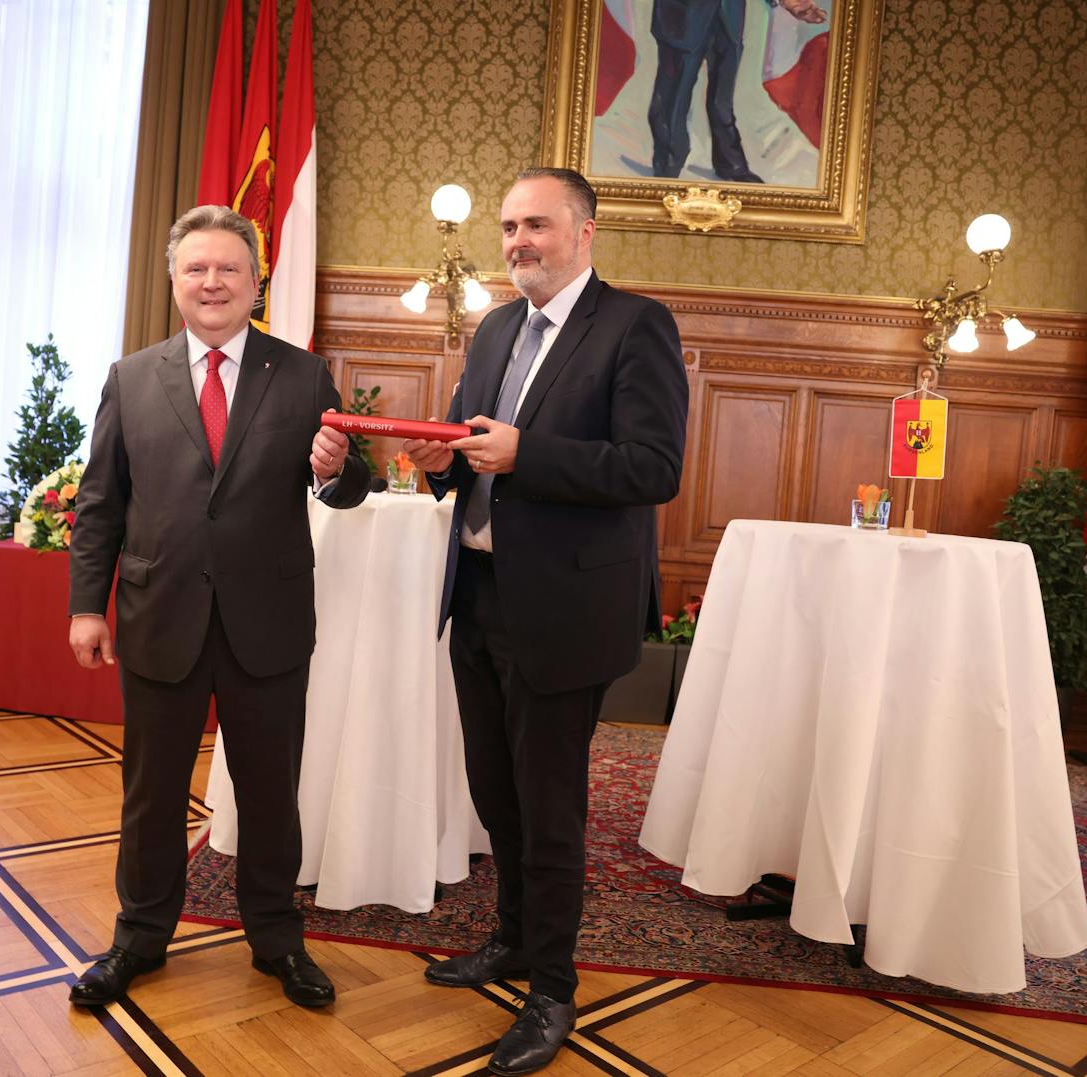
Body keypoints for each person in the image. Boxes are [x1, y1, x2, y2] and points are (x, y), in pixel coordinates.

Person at [402, 167, 687, 1076]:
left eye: (536, 224)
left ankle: (553, 989)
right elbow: (465, 452)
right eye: (509, 226)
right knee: (498, 794)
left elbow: (652, 467)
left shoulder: (636, 325)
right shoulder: (492, 327)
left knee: (550, 806)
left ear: (585, 232)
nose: (518, 241)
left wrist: (530, 454)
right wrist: (434, 460)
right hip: (479, 597)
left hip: (567, 607)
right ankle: (515, 940)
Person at [65, 204, 370, 1010]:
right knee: (151, 790)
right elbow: (101, 504)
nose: (212, 282)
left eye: (228, 268)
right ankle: (138, 936)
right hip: (159, 614)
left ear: (254, 280)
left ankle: (276, 938)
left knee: (272, 791)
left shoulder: (301, 374)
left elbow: (350, 484)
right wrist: (86, 608)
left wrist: (338, 468)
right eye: (196, 268)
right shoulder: (131, 378)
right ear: (175, 281)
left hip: (265, 623)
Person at [647, 0, 826, 181]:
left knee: (722, 101)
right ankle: (667, 167)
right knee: (673, 97)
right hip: (682, 18)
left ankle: (731, 164)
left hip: (729, 17)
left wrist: (790, 2)